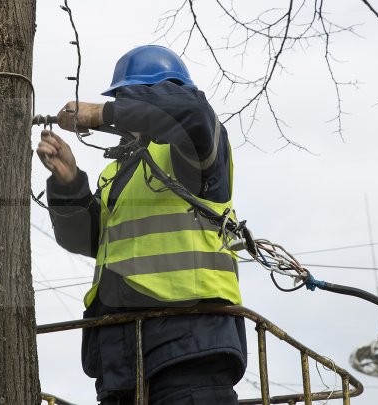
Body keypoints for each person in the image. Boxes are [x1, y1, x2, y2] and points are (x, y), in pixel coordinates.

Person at [36, 45, 246, 405]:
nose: (128, 110)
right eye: (123, 99)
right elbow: (86, 239)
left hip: (190, 346)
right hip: (122, 357)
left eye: (133, 99)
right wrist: (69, 184)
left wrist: (100, 112)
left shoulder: (190, 150)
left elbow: (191, 113)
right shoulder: (118, 172)